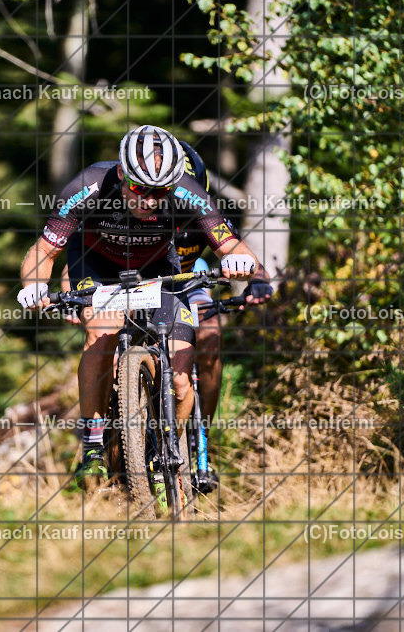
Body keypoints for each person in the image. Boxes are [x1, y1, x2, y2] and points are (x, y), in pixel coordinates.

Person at [18, 124, 268, 492]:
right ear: (122, 173)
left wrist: (243, 265)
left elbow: (231, 244)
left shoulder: (187, 190)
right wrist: (34, 286)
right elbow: (45, 250)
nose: (150, 200)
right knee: (103, 334)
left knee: (181, 382)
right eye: (140, 189)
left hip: (158, 270)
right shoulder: (88, 185)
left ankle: (166, 451)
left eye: (160, 192)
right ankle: (93, 445)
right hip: (97, 266)